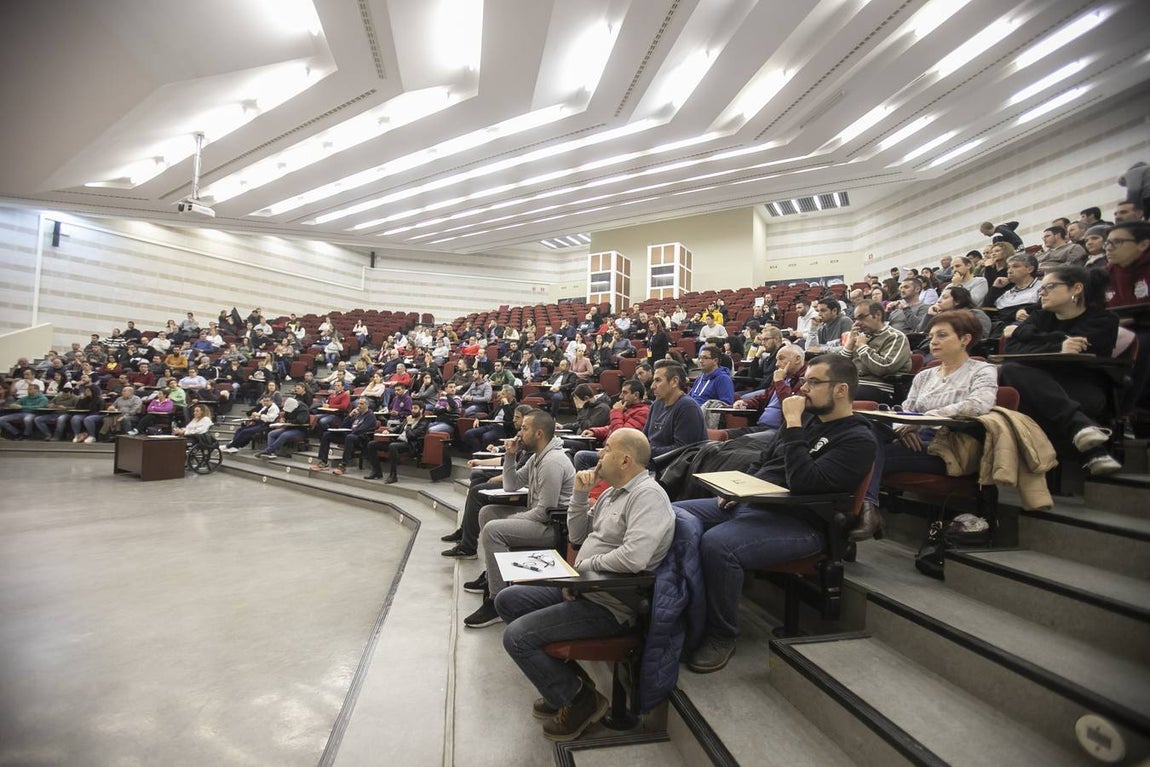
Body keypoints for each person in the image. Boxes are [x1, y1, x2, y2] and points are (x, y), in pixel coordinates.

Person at [673, 355, 876, 673]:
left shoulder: (857, 438)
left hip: (800, 523)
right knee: (672, 514)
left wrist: (793, 424)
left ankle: (722, 634)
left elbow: (805, 482)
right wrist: (735, 487)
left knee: (718, 544)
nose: (803, 389)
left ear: (841, 390)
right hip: (753, 504)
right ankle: (681, 610)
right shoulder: (804, 419)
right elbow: (764, 461)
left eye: (813, 382)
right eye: (805, 380)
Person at [494, 428, 674, 742]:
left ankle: (580, 701)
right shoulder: (611, 491)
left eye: (606, 448)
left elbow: (634, 558)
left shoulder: (648, 497)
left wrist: (584, 568)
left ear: (626, 459)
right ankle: (571, 688)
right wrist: (578, 496)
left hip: (612, 604)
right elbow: (578, 536)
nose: (599, 454)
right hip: (585, 588)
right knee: (508, 600)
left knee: (517, 637)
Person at [856, 311, 999, 541]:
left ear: (965, 339)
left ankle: (864, 511)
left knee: (860, 454)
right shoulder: (925, 375)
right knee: (864, 427)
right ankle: (867, 511)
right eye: (932, 336)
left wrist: (923, 419)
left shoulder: (982, 370)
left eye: (942, 335)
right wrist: (900, 429)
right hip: (910, 439)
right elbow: (905, 409)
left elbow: (978, 405)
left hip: (947, 446)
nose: (933, 341)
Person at [998, 266, 1122, 475]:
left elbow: (1080, 351)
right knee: (1011, 369)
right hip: (1040, 383)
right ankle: (1084, 433)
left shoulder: (1103, 320)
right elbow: (1013, 348)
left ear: (1076, 288)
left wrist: (1024, 334)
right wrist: (1058, 344)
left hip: (1082, 384)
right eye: (1041, 289)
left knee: (1022, 383)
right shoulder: (1040, 317)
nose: (1042, 293)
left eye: (1050, 287)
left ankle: (1085, 439)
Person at [463, 410, 575, 629]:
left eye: (524, 428)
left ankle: (498, 600)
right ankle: (494, 576)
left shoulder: (553, 462)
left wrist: (512, 519)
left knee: (493, 529)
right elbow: (511, 485)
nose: (519, 433)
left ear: (539, 433)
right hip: (540, 519)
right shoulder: (536, 458)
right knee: (488, 512)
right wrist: (510, 456)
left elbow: (544, 512)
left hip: (553, 528)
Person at [836, 300, 911, 404]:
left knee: (838, 395)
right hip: (856, 385)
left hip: (881, 388)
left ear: (878, 315)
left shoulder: (895, 337)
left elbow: (884, 368)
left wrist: (862, 347)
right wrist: (849, 344)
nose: (857, 323)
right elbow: (838, 369)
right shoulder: (859, 337)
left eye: (862, 317)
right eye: (856, 319)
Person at [643, 363, 707, 460]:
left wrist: (645, 452)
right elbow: (644, 437)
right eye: (653, 381)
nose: (652, 386)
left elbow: (682, 451)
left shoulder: (688, 407)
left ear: (674, 382)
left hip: (674, 468)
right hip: (652, 463)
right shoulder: (657, 404)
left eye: (658, 380)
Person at [365, 401, 429, 483]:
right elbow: (398, 427)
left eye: (415, 408)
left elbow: (411, 436)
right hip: (398, 442)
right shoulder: (408, 419)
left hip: (410, 445)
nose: (412, 410)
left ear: (421, 410)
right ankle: (376, 471)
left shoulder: (423, 422)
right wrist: (389, 431)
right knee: (372, 444)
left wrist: (409, 424)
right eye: (412, 408)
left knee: (393, 446)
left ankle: (393, 476)